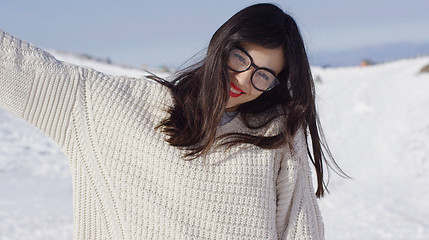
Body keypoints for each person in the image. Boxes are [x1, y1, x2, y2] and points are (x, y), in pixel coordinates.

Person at [0, 3, 345, 240]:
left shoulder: (274, 134)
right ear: (221, 44)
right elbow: (19, 68)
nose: (243, 79)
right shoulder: (109, 105)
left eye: (263, 75)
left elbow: (300, 229)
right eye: (239, 57)